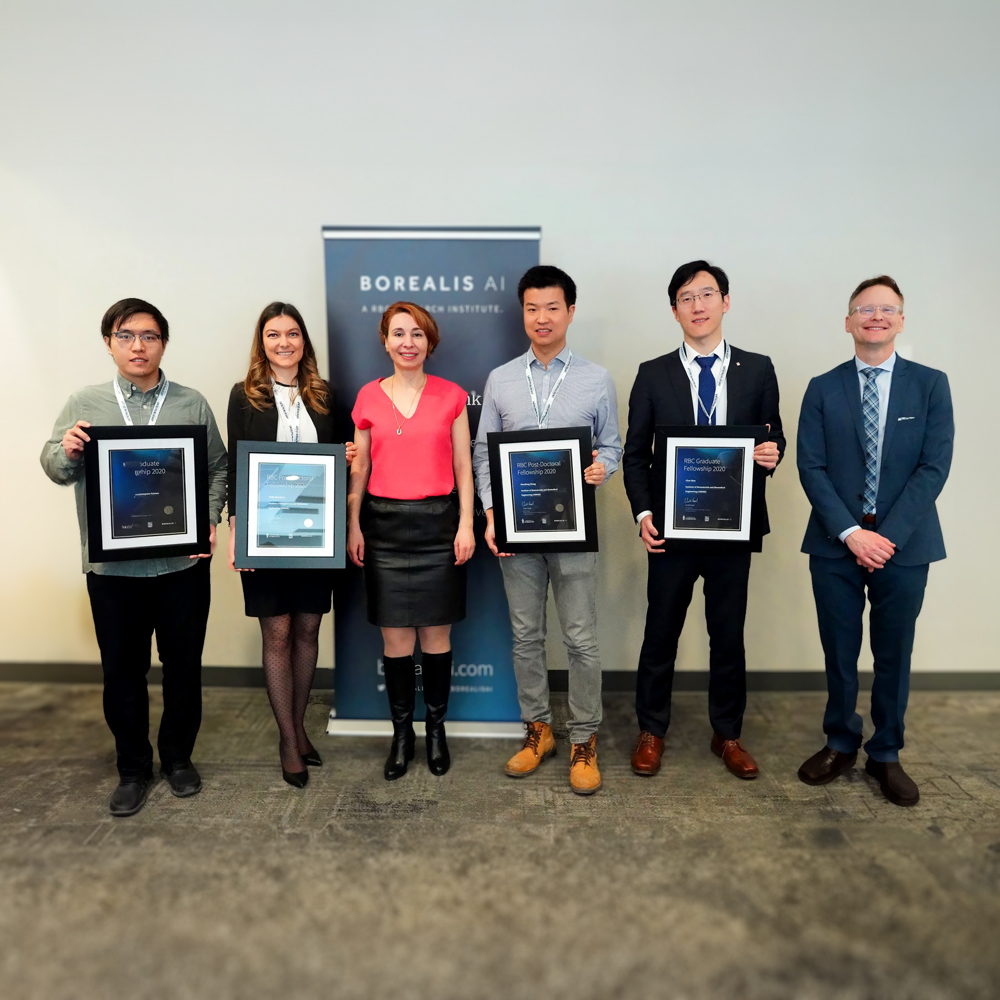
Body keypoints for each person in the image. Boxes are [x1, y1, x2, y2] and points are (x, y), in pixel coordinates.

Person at [40, 298, 227, 817]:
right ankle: (132, 768)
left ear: (163, 342)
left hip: (182, 566)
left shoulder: (191, 403)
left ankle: (178, 760)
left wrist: (207, 521)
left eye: (148, 335)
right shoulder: (86, 402)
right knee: (122, 672)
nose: (138, 346)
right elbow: (54, 466)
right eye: (126, 336)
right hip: (114, 570)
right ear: (109, 342)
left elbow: (217, 468)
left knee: (184, 669)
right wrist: (69, 450)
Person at [622, 260, 784, 781]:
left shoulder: (758, 369)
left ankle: (727, 734)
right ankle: (652, 731)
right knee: (660, 632)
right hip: (670, 530)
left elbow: (773, 437)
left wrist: (770, 453)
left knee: (728, 635)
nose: (698, 305)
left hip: (731, 530)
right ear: (674, 310)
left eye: (707, 294)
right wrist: (645, 513)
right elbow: (634, 455)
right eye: (686, 298)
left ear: (725, 302)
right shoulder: (653, 373)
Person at [796, 276, 953, 806]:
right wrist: (851, 533)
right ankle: (840, 742)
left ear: (901, 320)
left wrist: (884, 537)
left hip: (904, 545)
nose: (876, 316)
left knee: (893, 653)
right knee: (839, 653)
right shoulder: (823, 387)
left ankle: (885, 753)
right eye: (865, 309)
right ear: (849, 321)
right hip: (834, 541)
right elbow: (811, 467)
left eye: (888, 309)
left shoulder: (931, 385)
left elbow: (933, 468)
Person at [473, 265, 622, 796]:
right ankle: (538, 731)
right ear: (523, 314)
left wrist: (605, 467)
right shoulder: (501, 379)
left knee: (580, 638)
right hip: (516, 532)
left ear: (570, 312)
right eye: (532, 308)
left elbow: (612, 445)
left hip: (573, 529)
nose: (542, 317)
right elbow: (483, 454)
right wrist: (493, 514)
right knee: (525, 636)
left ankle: (584, 738)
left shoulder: (594, 377)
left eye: (552, 307)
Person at [226, 302, 357, 788]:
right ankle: (288, 739)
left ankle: (298, 728)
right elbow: (238, 470)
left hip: (315, 537)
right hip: (263, 539)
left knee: (306, 632)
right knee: (276, 635)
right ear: (262, 343)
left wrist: (348, 455)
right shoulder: (243, 397)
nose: (284, 343)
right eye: (274, 335)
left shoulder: (325, 396)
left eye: (293, 334)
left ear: (305, 342)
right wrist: (237, 531)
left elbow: (344, 462)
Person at [347, 302, 475, 781]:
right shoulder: (366, 398)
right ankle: (402, 735)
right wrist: (353, 523)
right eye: (398, 333)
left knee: (436, 637)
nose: (408, 342)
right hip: (383, 528)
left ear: (429, 343)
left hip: (438, 526)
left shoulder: (452, 397)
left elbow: (464, 467)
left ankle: (436, 731)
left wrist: (465, 524)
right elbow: (359, 467)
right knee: (396, 639)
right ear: (385, 341)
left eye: (417, 334)